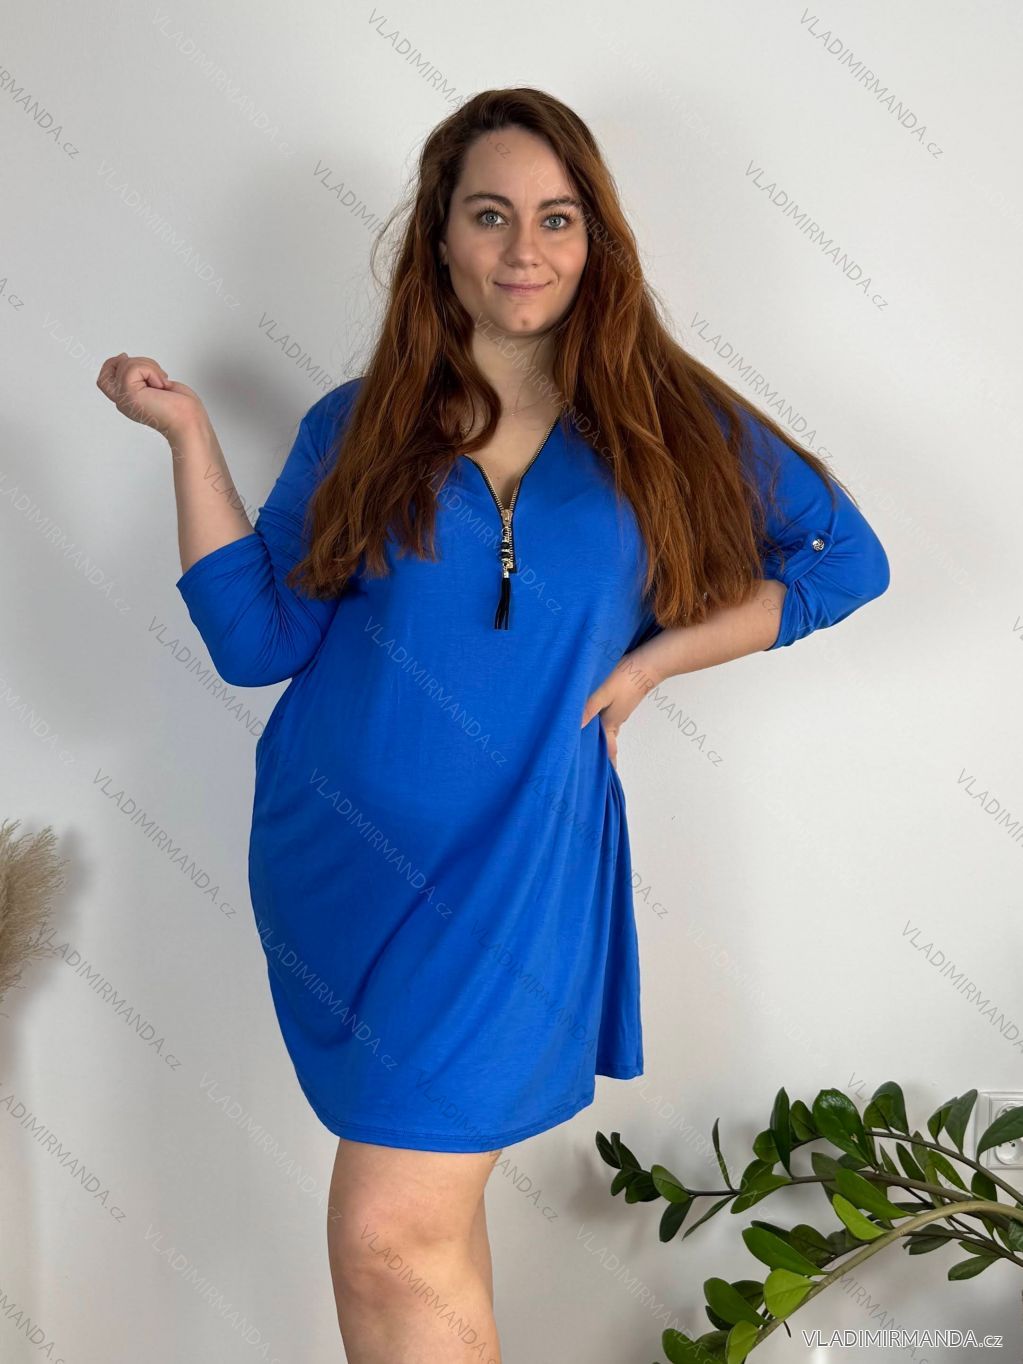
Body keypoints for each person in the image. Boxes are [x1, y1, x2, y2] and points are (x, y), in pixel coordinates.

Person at [97, 87, 889, 1364]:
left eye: (557, 218)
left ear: (595, 241)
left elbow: (847, 560)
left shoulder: (667, 424)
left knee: (387, 1234)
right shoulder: (358, 424)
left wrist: (654, 662)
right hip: (342, 868)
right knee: (429, 1235)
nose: (526, 248)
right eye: (491, 214)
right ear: (441, 238)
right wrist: (187, 432)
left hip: (519, 878)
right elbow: (257, 641)